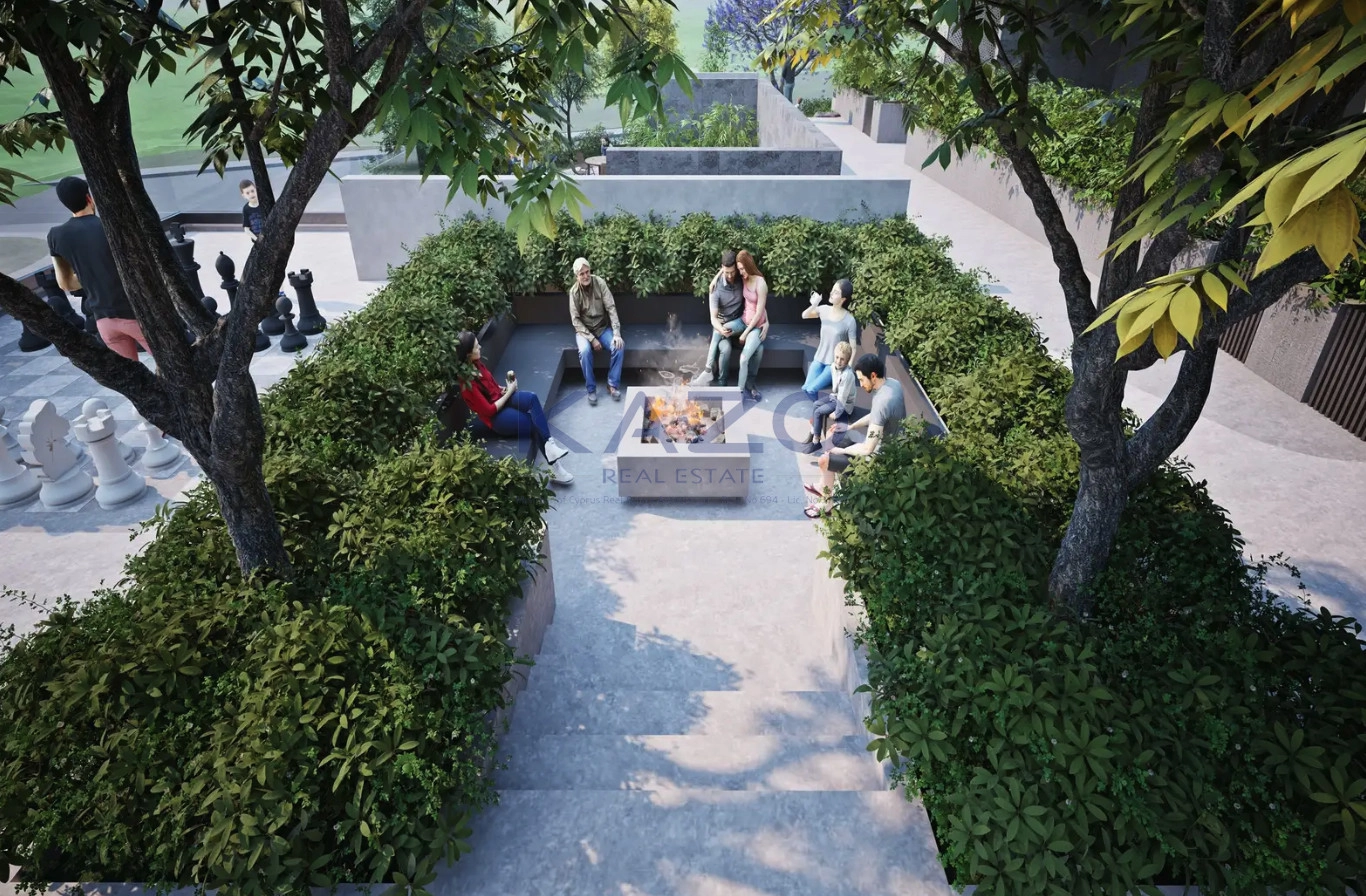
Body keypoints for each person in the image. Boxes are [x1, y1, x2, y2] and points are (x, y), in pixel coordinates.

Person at [47, 176, 151, 362]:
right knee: (177, 370)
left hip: (104, 321)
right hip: (136, 314)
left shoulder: (55, 235)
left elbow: (65, 283)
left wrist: (91, 275)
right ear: (89, 197)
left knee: (132, 376)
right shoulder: (112, 226)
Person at [456, 330, 574, 484]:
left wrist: (504, 389)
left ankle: (550, 445)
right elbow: (489, 410)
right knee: (532, 424)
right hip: (496, 418)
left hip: (501, 398)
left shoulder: (476, 363)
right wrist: (510, 391)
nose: (480, 348)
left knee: (532, 398)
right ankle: (556, 468)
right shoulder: (467, 385)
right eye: (477, 347)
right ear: (468, 354)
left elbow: (491, 387)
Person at [805, 353, 906, 518]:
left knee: (824, 459)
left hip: (880, 459)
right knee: (831, 438)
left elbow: (867, 449)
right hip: (889, 444)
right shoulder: (892, 384)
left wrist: (841, 451)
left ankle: (827, 503)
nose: (861, 384)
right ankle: (823, 485)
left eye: (861, 380)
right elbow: (876, 416)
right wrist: (850, 426)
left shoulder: (882, 402)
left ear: (873, 376)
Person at [568, 257, 624, 406]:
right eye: (581, 274)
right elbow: (575, 320)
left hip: (602, 328)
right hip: (584, 332)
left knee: (618, 346)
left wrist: (616, 333)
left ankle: (612, 385)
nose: (586, 276)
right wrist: (592, 339)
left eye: (587, 272)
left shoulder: (600, 283)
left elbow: (611, 308)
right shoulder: (574, 292)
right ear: (577, 276)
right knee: (585, 351)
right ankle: (591, 389)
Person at [800, 278, 859, 401]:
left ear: (843, 299)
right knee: (805, 388)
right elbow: (804, 315)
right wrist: (814, 304)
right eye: (832, 290)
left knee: (811, 389)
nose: (831, 293)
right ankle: (819, 406)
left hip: (834, 364)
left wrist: (847, 369)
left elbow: (853, 348)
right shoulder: (824, 309)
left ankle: (819, 407)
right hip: (819, 358)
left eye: (836, 292)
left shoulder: (849, 320)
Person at [696, 249, 746, 386]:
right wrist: (721, 329)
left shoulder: (741, 278)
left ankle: (707, 370)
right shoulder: (715, 289)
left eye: (732, 272)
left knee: (721, 331)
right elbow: (713, 318)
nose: (730, 275)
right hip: (722, 327)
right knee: (725, 349)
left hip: (739, 324)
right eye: (726, 272)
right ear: (722, 268)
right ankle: (722, 383)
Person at [801, 340, 856, 454]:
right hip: (835, 397)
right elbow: (836, 389)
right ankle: (813, 432)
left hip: (844, 404)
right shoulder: (833, 367)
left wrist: (836, 413)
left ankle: (816, 441)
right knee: (816, 404)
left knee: (818, 412)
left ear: (847, 360)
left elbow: (842, 398)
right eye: (837, 357)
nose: (838, 361)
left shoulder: (847, 375)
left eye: (842, 359)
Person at [734, 249, 769, 403]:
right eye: (739, 269)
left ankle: (739, 393)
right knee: (723, 329)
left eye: (742, 269)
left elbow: (760, 310)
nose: (741, 272)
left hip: (755, 327)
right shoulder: (744, 279)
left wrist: (746, 333)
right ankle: (749, 385)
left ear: (748, 265)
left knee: (743, 359)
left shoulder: (761, 283)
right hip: (743, 321)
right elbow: (725, 271)